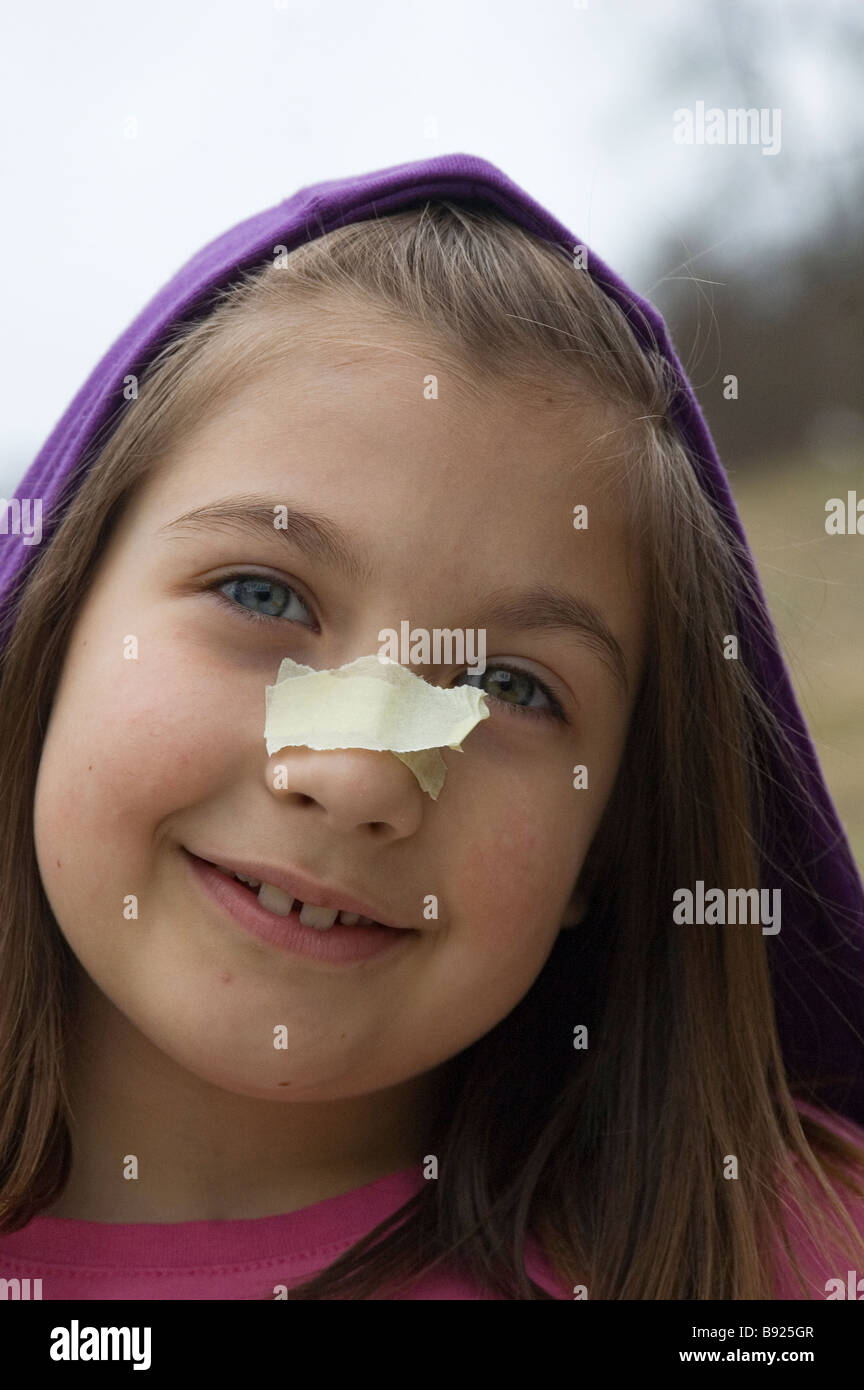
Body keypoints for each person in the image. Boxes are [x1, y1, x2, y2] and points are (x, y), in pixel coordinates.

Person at [1, 153, 862, 1301]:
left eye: (511, 684)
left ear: (604, 842)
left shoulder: (785, 1262)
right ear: (54, 624)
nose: (357, 771)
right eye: (264, 595)